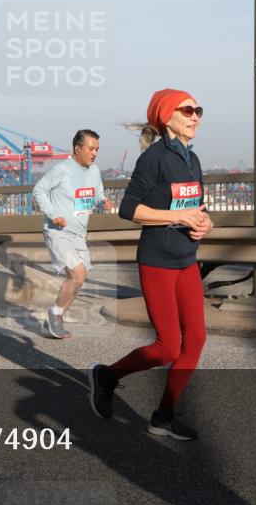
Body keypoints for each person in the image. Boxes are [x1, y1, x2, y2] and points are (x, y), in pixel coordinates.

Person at [88, 88, 213, 441]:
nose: (195, 116)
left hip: (186, 261)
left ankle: (164, 416)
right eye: (187, 110)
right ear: (167, 117)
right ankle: (107, 376)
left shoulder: (192, 159)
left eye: (198, 110)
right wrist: (177, 217)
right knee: (168, 347)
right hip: (157, 262)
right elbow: (128, 208)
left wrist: (206, 223)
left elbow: (198, 208)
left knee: (196, 340)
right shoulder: (153, 158)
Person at [32, 129, 112, 338]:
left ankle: (53, 318)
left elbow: (97, 195)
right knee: (78, 274)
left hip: (79, 236)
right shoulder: (62, 169)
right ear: (78, 148)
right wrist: (54, 214)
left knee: (77, 280)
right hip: (58, 232)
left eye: (97, 149)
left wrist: (102, 202)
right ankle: (55, 314)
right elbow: (39, 190)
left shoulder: (94, 171)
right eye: (91, 149)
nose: (94, 153)